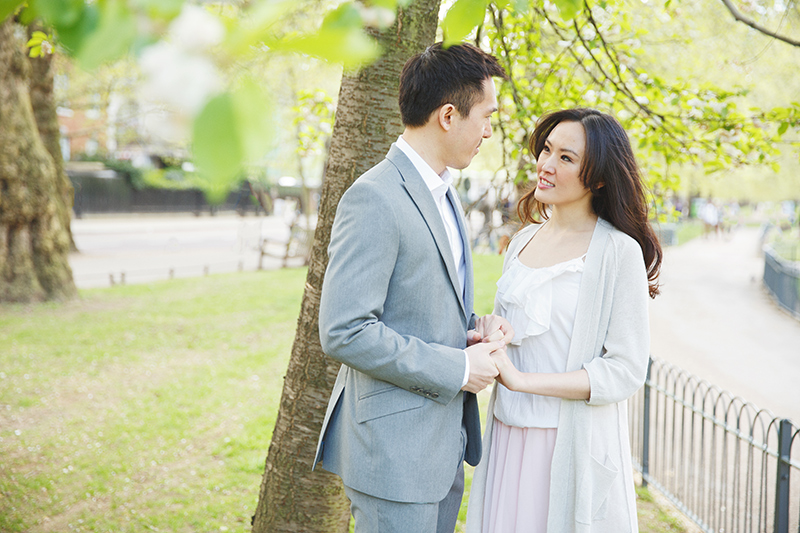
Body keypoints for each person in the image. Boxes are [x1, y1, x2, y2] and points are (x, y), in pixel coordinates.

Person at [313, 42, 512, 533]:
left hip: (441, 447)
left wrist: (470, 332)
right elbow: (345, 331)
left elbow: (419, 303)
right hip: (394, 456)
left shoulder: (445, 194)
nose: (489, 130)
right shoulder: (374, 198)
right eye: (486, 116)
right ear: (448, 115)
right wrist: (458, 366)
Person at [465, 108, 663, 533]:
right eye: (547, 150)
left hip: (564, 443)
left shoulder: (616, 252)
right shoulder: (521, 240)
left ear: (599, 178)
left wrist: (523, 381)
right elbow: (512, 330)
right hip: (505, 437)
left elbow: (626, 371)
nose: (546, 165)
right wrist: (489, 331)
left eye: (566, 158)